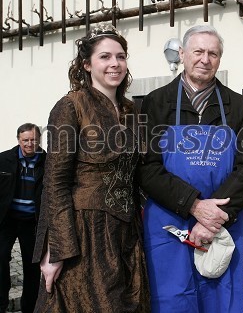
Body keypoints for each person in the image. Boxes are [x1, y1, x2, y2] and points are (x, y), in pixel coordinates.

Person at [138, 25, 243, 313]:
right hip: (170, 222)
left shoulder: (238, 106)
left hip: (222, 222)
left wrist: (212, 219)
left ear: (220, 59)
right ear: (182, 54)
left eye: (213, 53)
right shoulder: (155, 102)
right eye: (198, 51)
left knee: (221, 299)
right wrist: (193, 205)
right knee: (172, 298)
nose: (205, 59)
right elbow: (147, 168)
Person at [32, 22, 150, 312]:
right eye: (105, 57)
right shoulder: (71, 106)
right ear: (86, 64)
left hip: (126, 232)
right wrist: (56, 249)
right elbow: (55, 182)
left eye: (121, 56)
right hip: (86, 233)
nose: (115, 64)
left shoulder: (132, 111)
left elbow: (139, 174)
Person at [0, 123, 46, 313]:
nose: (29, 143)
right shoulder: (4, 159)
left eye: (34, 139)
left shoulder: (48, 162)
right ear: (18, 140)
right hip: (7, 221)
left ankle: (30, 307)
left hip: (32, 223)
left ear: (39, 139)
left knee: (32, 266)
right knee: (0, 259)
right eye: (25, 140)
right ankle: (1, 303)